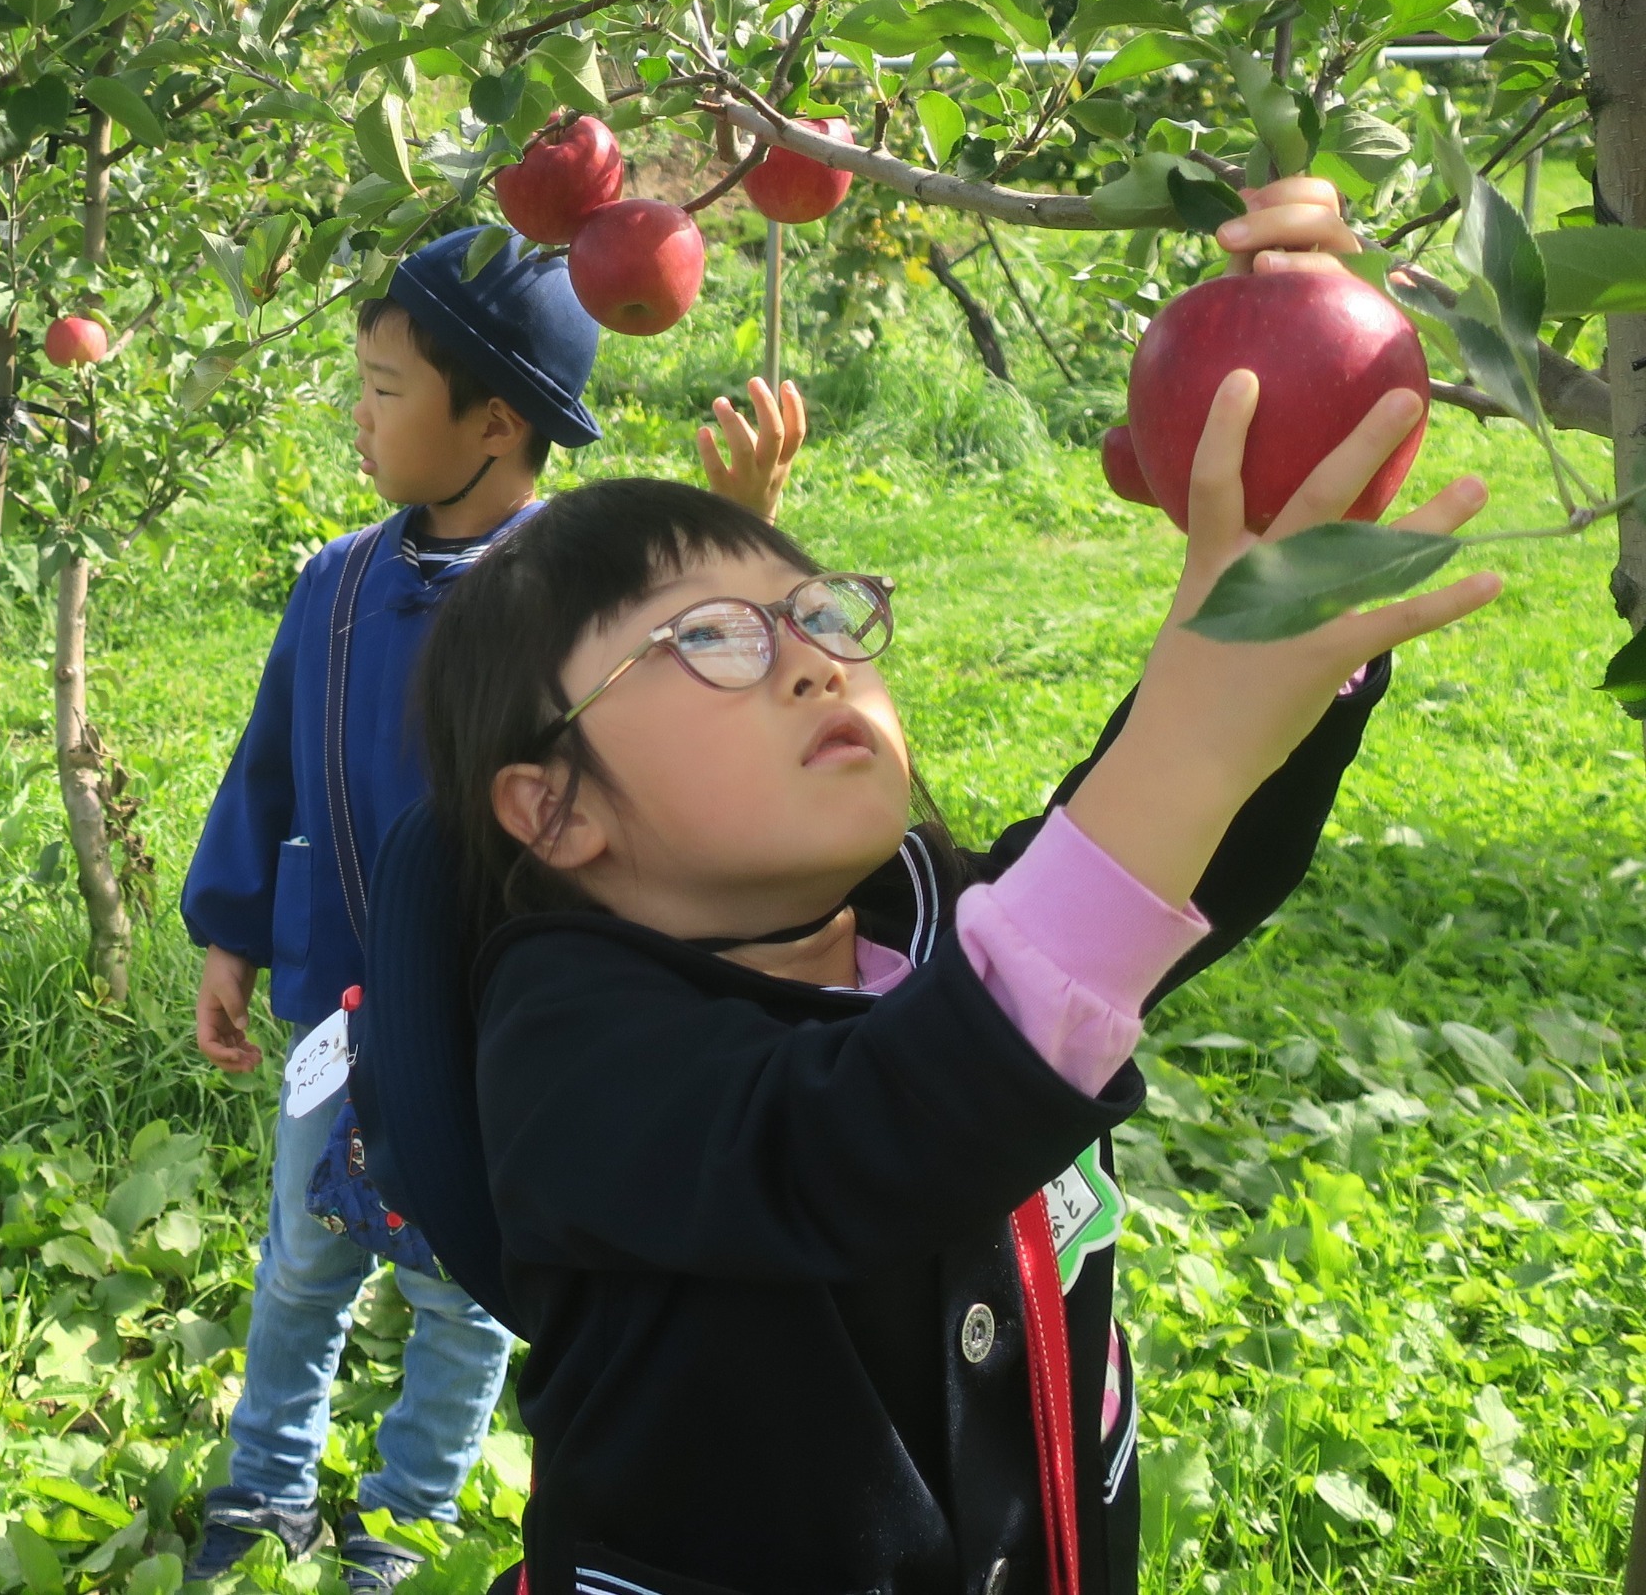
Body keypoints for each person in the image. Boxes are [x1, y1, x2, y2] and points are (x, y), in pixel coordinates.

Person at [401, 185, 1500, 1595]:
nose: (810, 657)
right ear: (550, 804)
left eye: (820, 613)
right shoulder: (573, 1049)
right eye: (716, 640)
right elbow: (869, 1135)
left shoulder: (928, 919)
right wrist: (1184, 730)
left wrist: (1287, 595)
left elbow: (1173, 875)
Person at [179, 225, 805, 1590]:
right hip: (336, 1020)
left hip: (487, 1048)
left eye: (387, 387)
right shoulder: (334, 583)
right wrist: (231, 928)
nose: (359, 409)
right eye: (363, 379)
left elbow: (708, 699)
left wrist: (743, 538)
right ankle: (267, 1483)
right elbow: (268, 760)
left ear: (496, 421)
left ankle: (404, 1512)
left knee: (462, 1300)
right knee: (297, 1268)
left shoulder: (573, 605)